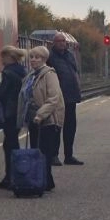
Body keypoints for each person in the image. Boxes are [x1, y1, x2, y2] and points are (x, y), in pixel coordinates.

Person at [17, 46, 65, 192]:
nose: (33, 60)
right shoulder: (31, 76)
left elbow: (54, 97)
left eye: (37, 57)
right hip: (34, 119)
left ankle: (44, 181)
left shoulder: (49, 75)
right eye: (31, 57)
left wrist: (40, 114)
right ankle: (41, 180)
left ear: (44, 59)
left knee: (44, 152)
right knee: (36, 151)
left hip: (48, 119)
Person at [0, 46, 28, 189]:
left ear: (9, 57)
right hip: (19, 111)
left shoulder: (8, 72)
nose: (1, 60)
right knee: (12, 143)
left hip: (10, 112)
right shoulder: (22, 70)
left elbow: (3, 93)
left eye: (2, 57)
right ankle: (12, 176)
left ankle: (11, 177)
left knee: (9, 145)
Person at [47, 33, 83, 166]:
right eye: (59, 41)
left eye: (63, 41)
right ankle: (54, 155)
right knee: (56, 127)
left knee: (70, 127)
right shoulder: (50, 57)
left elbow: (74, 71)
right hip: (58, 97)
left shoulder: (69, 55)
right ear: (54, 43)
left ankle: (69, 155)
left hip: (71, 97)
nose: (62, 43)